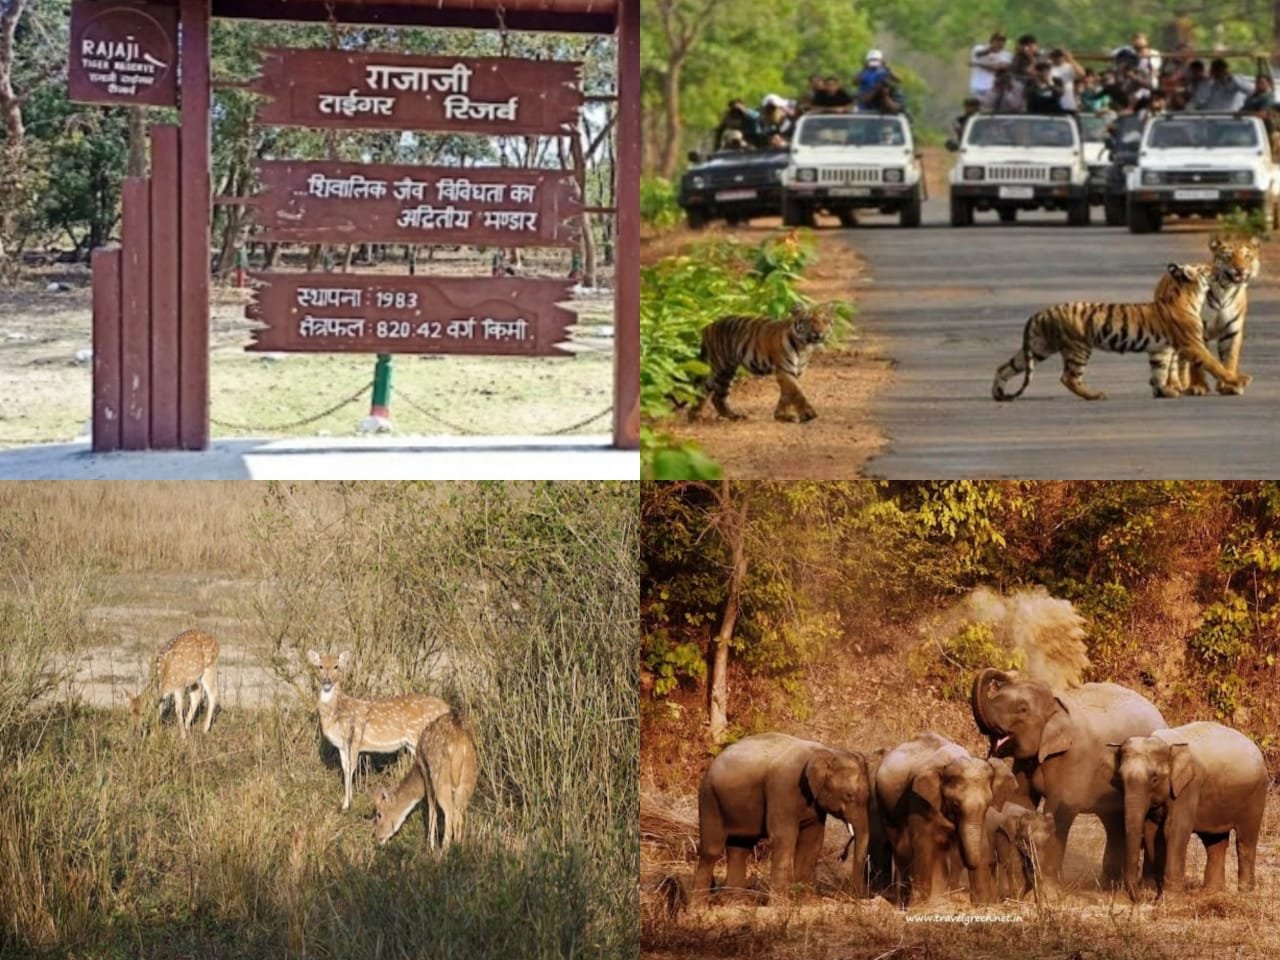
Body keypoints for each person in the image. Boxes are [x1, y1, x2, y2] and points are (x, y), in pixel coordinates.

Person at [969, 30, 1013, 97]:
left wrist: (978, 64)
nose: (999, 43)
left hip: (992, 89)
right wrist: (990, 50)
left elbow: (997, 68)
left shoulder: (1006, 55)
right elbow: (977, 54)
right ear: (991, 41)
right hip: (977, 87)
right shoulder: (979, 48)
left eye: (1002, 41)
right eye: (997, 41)